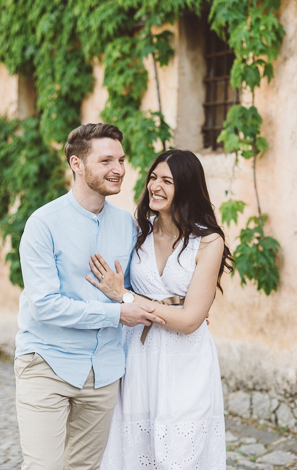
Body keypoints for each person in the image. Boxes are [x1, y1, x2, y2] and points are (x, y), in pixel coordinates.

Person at [14, 123, 165, 470]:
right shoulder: (43, 224)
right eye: (106, 160)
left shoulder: (127, 225)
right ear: (77, 164)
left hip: (104, 371)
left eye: (122, 160)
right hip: (47, 363)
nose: (119, 169)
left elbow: (130, 291)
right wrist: (115, 314)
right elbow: (44, 306)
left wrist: (180, 307)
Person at [85, 149, 232, 469]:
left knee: (181, 452)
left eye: (168, 180)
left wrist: (126, 297)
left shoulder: (209, 242)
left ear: (187, 187)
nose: (155, 186)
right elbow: (105, 280)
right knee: (137, 451)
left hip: (187, 360)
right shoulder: (137, 232)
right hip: (138, 356)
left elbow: (191, 320)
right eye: (153, 177)